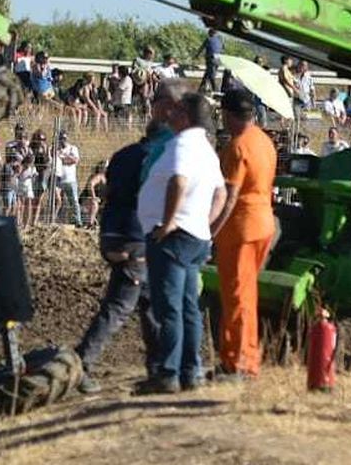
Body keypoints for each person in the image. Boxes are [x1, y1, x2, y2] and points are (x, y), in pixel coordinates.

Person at [136, 92, 226, 394]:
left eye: (175, 112)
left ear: (186, 117)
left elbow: (179, 181)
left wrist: (171, 220)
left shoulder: (183, 144)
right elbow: (221, 195)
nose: (169, 116)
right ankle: (192, 370)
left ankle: (168, 373)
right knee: (189, 306)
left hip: (174, 238)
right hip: (195, 235)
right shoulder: (207, 149)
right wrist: (206, 225)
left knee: (169, 307)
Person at [74, 130, 161, 392]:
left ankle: (159, 369)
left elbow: (110, 189)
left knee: (149, 304)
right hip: (136, 237)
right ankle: (81, 364)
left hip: (113, 232)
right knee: (119, 306)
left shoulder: (123, 155)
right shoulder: (153, 159)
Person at [207, 89, 277, 380]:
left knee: (237, 297)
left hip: (240, 229)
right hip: (263, 224)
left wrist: (210, 231)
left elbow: (229, 196)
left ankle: (241, 363)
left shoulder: (237, 147)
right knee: (244, 294)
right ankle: (233, 359)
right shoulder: (264, 141)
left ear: (227, 114)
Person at [53, 130, 83, 226]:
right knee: (56, 201)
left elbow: (74, 160)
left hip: (70, 180)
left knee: (74, 201)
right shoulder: (55, 149)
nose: (63, 141)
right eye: (61, 139)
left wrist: (62, 158)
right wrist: (64, 158)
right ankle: (54, 219)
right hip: (58, 180)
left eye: (64, 139)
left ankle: (77, 221)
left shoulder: (72, 148)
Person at [198, 28, 223, 93]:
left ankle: (216, 90)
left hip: (211, 59)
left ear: (210, 33)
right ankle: (201, 88)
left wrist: (196, 55)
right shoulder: (220, 40)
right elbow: (222, 49)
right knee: (208, 73)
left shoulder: (208, 39)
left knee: (211, 75)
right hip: (218, 60)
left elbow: (201, 48)